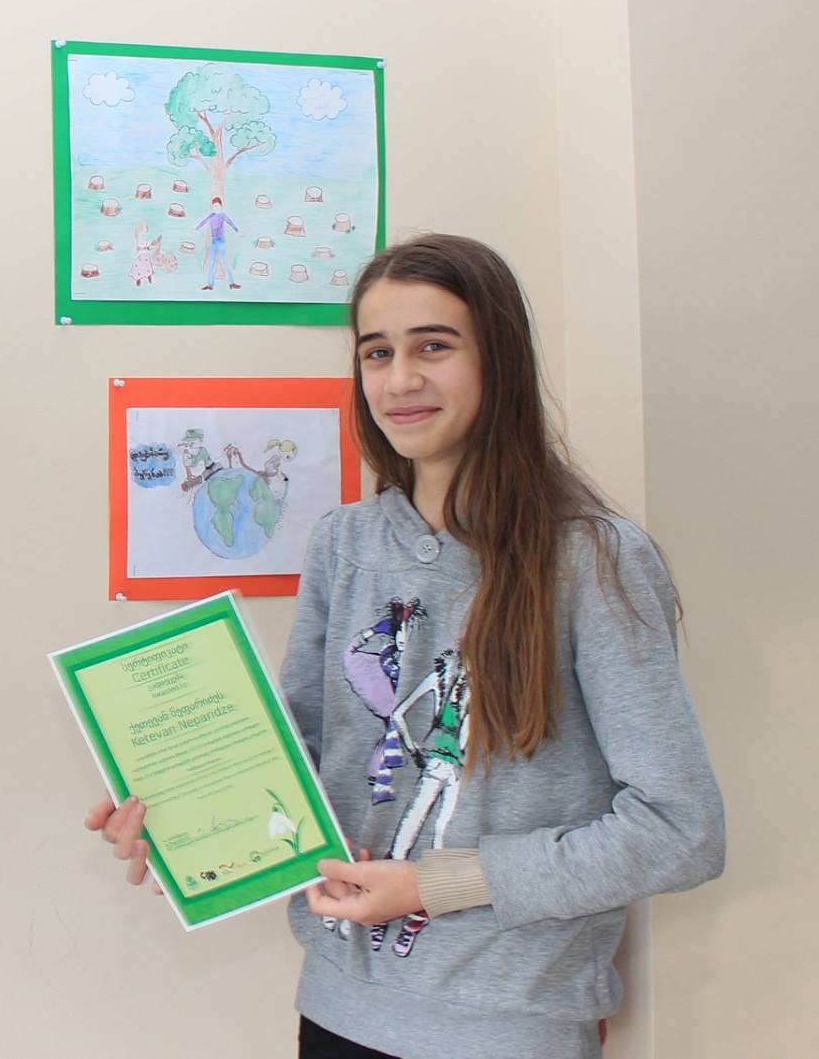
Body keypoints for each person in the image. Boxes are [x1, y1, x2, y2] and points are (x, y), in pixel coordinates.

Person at [82, 234, 723, 1058]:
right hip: (337, 1008)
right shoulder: (342, 542)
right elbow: (300, 768)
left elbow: (680, 830)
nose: (400, 379)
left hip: (505, 1030)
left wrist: (436, 883)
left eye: (434, 346)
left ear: (500, 359)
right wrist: (181, 821)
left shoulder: (592, 558)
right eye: (377, 352)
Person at [195, 196, 239, 290]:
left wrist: (237, 231)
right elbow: (203, 222)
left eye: (217, 206)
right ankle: (210, 285)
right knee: (212, 262)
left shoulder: (223, 216)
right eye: (214, 206)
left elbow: (230, 223)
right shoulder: (211, 216)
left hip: (220, 241)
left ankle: (231, 283)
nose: (215, 207)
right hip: (214, 242)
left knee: (224, 261)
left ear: (221, 206)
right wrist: (196, 228)